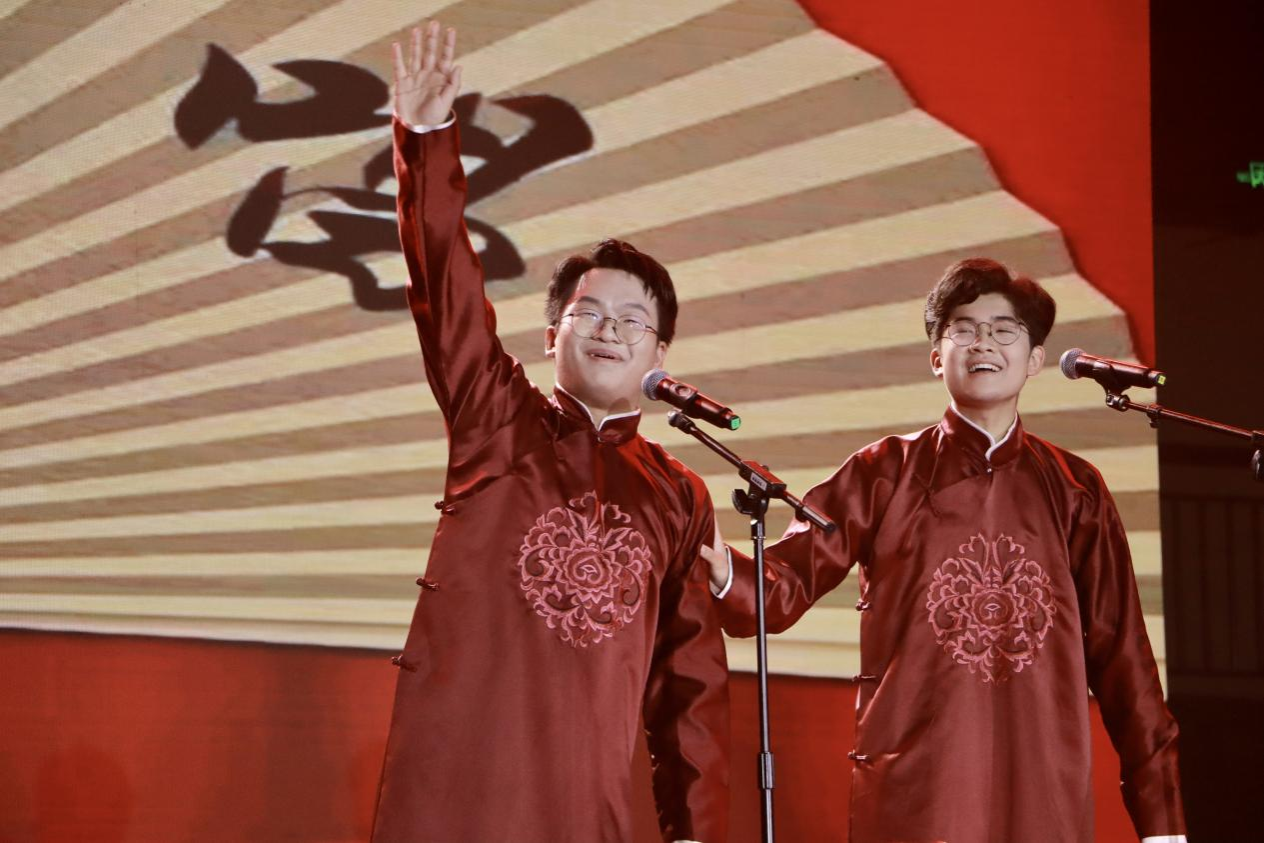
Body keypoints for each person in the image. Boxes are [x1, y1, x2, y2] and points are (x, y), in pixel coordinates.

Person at [369, 22, 729, 843]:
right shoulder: (497, 420)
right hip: (456, 802)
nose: (608, 331)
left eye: (633, 320)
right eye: (588, 313)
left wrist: (695, 831)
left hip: (586, 809)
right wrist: (425, 139)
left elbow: (690, 688)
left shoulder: (680, 496)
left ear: (661, 354)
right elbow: (446, 285)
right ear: (549, 336)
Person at [703, 259, 1186, 842]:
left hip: (1042, 780)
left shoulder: (1075, 489)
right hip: (917, 783)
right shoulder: (882, 472)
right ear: (937, 357)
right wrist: (727, 571)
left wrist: (1163, 825)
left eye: (1004, 330)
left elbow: (1124, 656)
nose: (983, 344)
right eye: (964, 329)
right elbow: (785, 584)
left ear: (1034, 359)